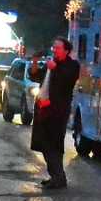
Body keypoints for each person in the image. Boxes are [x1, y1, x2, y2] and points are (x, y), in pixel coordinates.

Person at [32, 36, 81, 190]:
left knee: (54, 144)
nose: (55, 50)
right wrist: (34, 62)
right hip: (43, 108)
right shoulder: (50, 64)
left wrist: (55, 68)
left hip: (58, 111)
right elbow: (35, 75)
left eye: (58, 48)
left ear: (66, 50)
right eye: (54, 47)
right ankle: (55, 176)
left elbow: (67, 80)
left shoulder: (72, 65)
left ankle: (59, 177)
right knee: (44, 143)